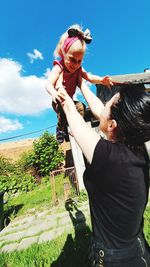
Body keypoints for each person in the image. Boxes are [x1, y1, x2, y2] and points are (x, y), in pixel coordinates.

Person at [58, 81, 150, 267]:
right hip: (139, 250)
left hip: (114, 260)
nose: (103, 105)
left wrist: (59, 82)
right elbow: (101, 111)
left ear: (112, 125)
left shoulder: (108, 157)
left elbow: (68, 107)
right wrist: (81, 83)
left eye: (107, 103)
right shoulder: (137, 147)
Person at [45, 24, 114, 144]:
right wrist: (54, 93)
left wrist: (101, 80)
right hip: (58, 98)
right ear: (63, 53)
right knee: (62, 105)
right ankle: (60, 129)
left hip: (71, 100)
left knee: (80, 107)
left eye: (79, 61)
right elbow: (48, 84)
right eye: (72, 59)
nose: (75, 64)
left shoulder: (78, 69)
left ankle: (76, 127)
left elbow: (89, 77)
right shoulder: (59, 67)